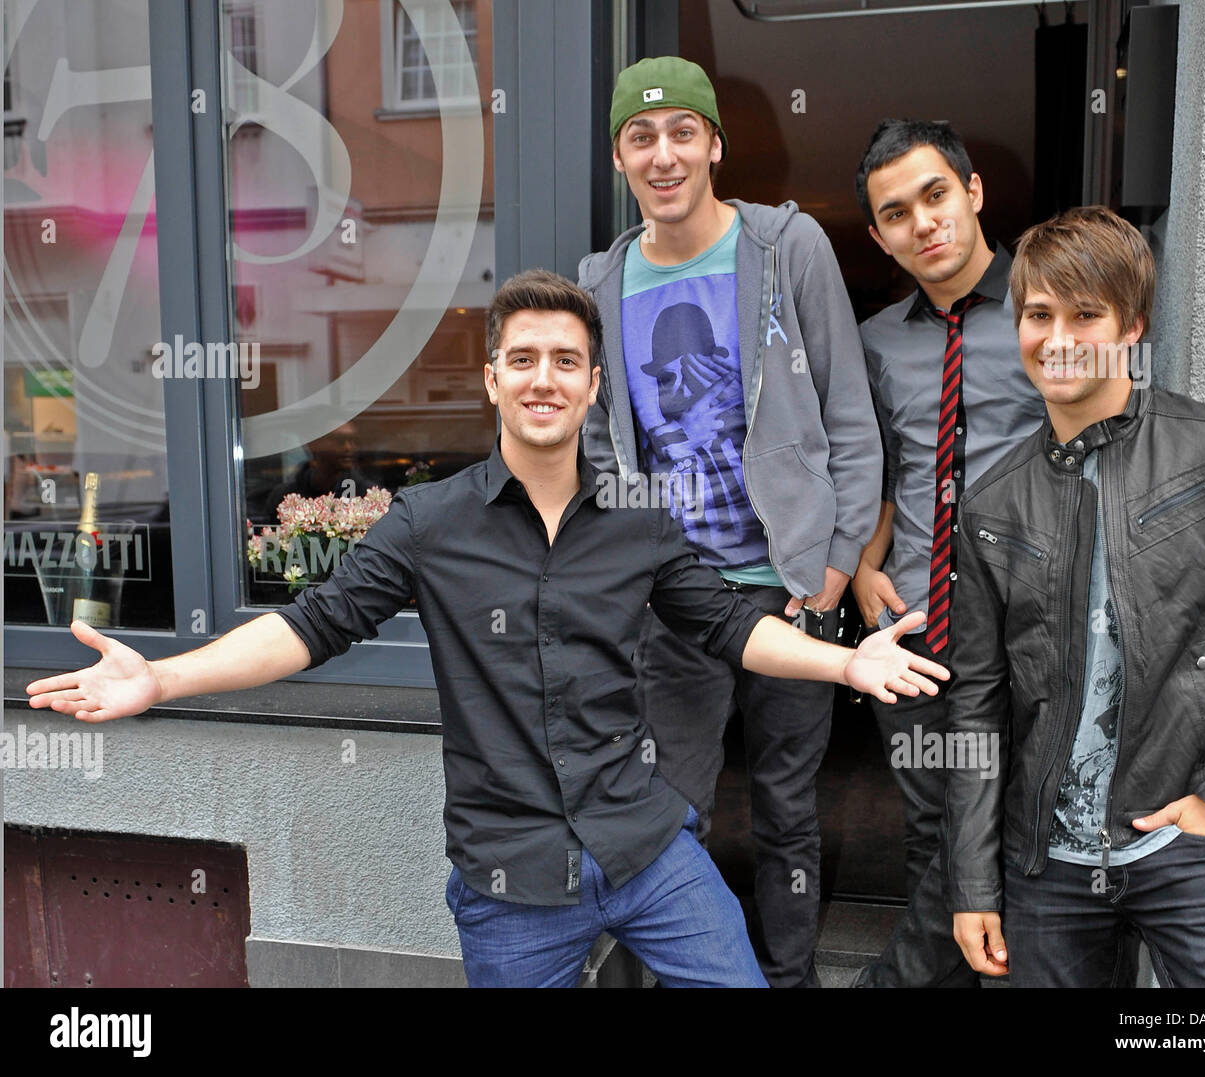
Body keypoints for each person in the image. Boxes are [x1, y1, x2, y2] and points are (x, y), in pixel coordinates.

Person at [27, 269, 946, 990]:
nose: (544, 377)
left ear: (593, 385)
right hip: (511, 879)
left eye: (566, 361)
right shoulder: (430, 523)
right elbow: (311, 625)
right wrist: (162, 678)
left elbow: (730, 628)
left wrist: (846, 663)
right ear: (493, 378)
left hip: (645, 846)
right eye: (524, 357)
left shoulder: (639, 518)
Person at [579, 56, 884, 988]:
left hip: (791, 589)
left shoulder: (785, 249)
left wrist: (832, 567)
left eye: (681, 133)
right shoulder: (601, 280)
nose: (662, 154)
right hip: (675, 598)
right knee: (669, 809)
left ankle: (787, 978)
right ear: (620, 159)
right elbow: (599, 444)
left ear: (714, 143)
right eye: (641, 136)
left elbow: (850, 417)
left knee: (790, 806)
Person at [946, 206, 1205, 987]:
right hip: (1048, 867)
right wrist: (972, 881)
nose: (1059, 336)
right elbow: (976, 704)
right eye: (1039, 313)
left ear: (1132, 324)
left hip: (1191, 837)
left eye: (1086, 313)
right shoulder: (992, 505)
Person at [848, 119, 1045, 988]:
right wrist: (862, 565)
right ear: (878, 236)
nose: (921, 223)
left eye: (934, 196)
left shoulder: (1050, 311)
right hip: (918, 620)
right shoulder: (877, 339)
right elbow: (880, 470)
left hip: (1026, 621)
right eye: (896, 213)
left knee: (1008, 826)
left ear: (971, 193)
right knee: (932, 826)